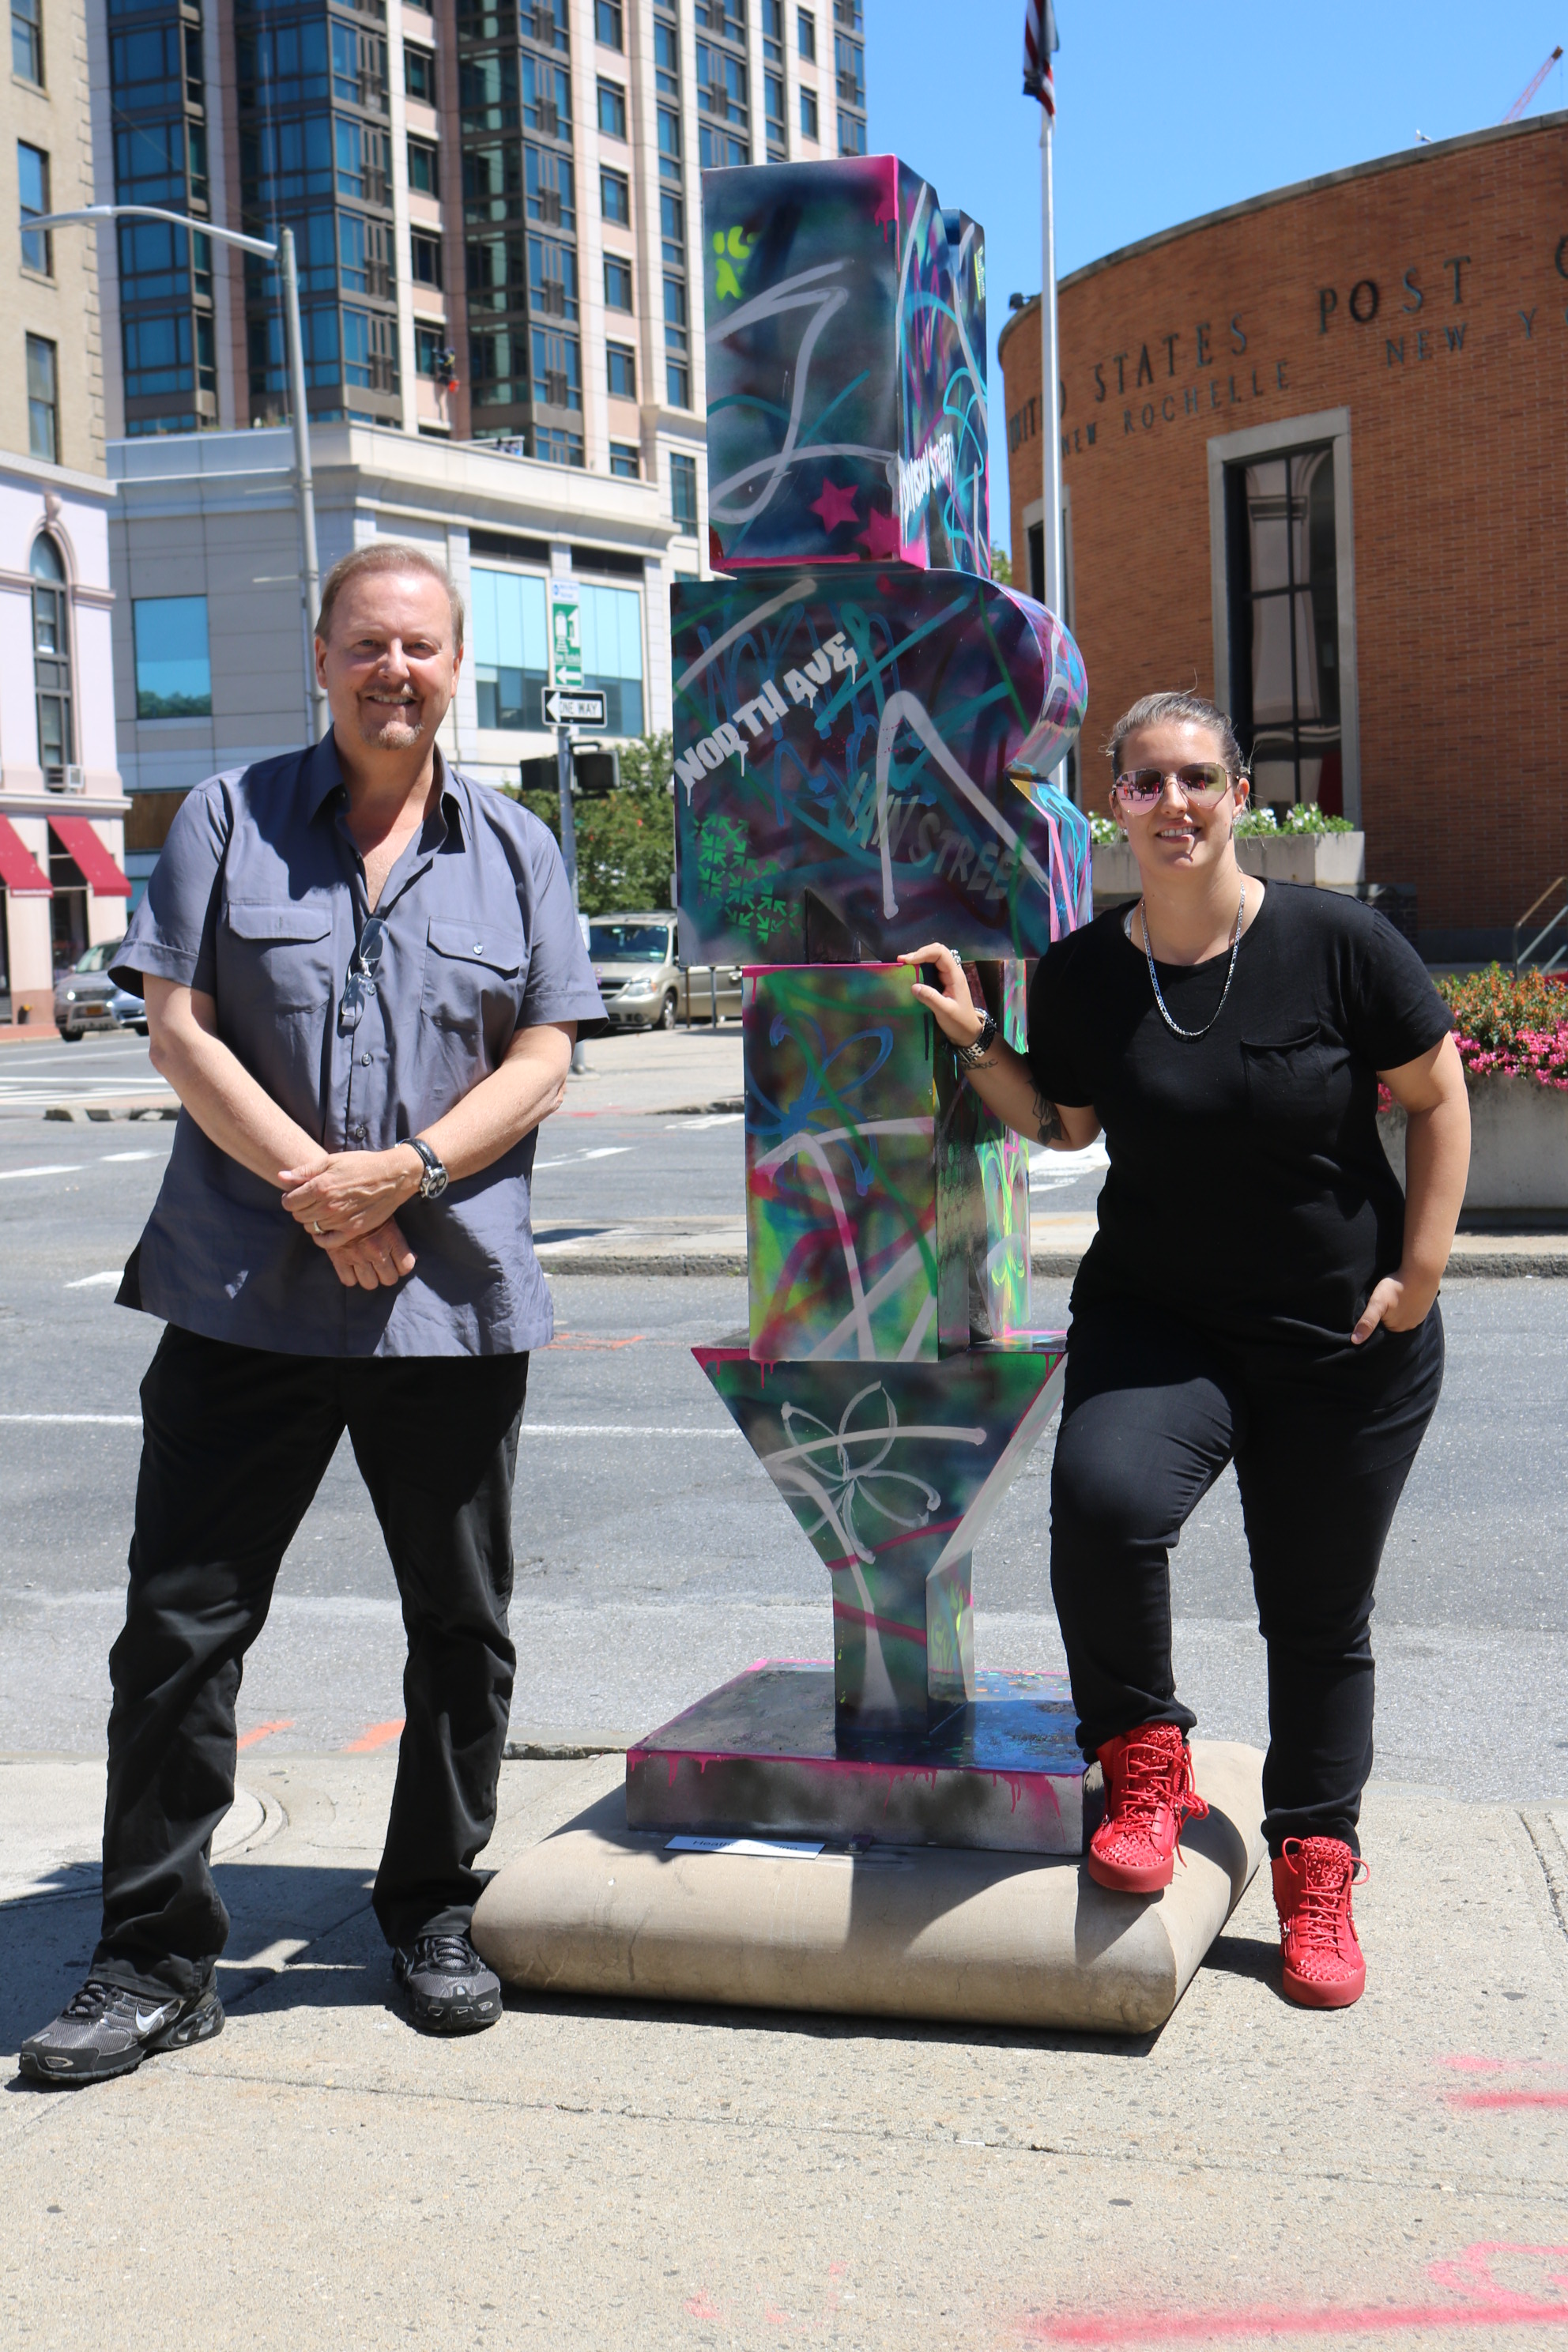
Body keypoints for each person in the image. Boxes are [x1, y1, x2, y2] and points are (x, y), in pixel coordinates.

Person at [21, 543, 606, 2084]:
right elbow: (176, 1025)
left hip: (449, 1304)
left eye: (419, 647)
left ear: (454, 663)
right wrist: (316, 1188)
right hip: (240, 1294)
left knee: (460, 1634)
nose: (393, 670)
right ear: (326, 662)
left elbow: (545, 1054)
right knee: (178, 1633)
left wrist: (402, 1175)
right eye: (367, 646)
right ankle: (150, 1954)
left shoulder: (516, 850)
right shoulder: (224, 817)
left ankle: (429, 1909)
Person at [902, 691, 1468, 2010]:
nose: (1176, 806)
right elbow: (1064, 1122)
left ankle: (1317, 1858)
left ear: (1241, 796)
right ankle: (1142, 1756)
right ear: (1115, 803)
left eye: (1199, 780)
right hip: (1161, 1319)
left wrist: (1423, 1272)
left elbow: (1437, 1100)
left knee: (1318, 1614)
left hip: (1343, 1335)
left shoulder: (1341, 944)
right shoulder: (1092, 968)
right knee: (1103, 1505)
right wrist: (981, 1039)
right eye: (1147, 784)